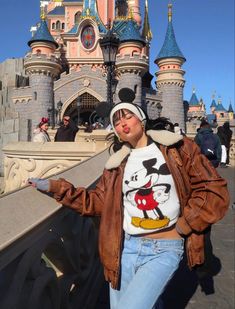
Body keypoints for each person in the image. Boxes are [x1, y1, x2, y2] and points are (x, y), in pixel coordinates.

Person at [28, 102, 229, 309]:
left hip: (165, 249)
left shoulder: (176, 149)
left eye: (127, 116)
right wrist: (56, 188)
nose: (122, 123)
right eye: (116, 121)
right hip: (126, 248)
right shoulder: (117, 164)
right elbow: (97, 202)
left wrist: (186, 224)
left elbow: (212, 187)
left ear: (141, 120)